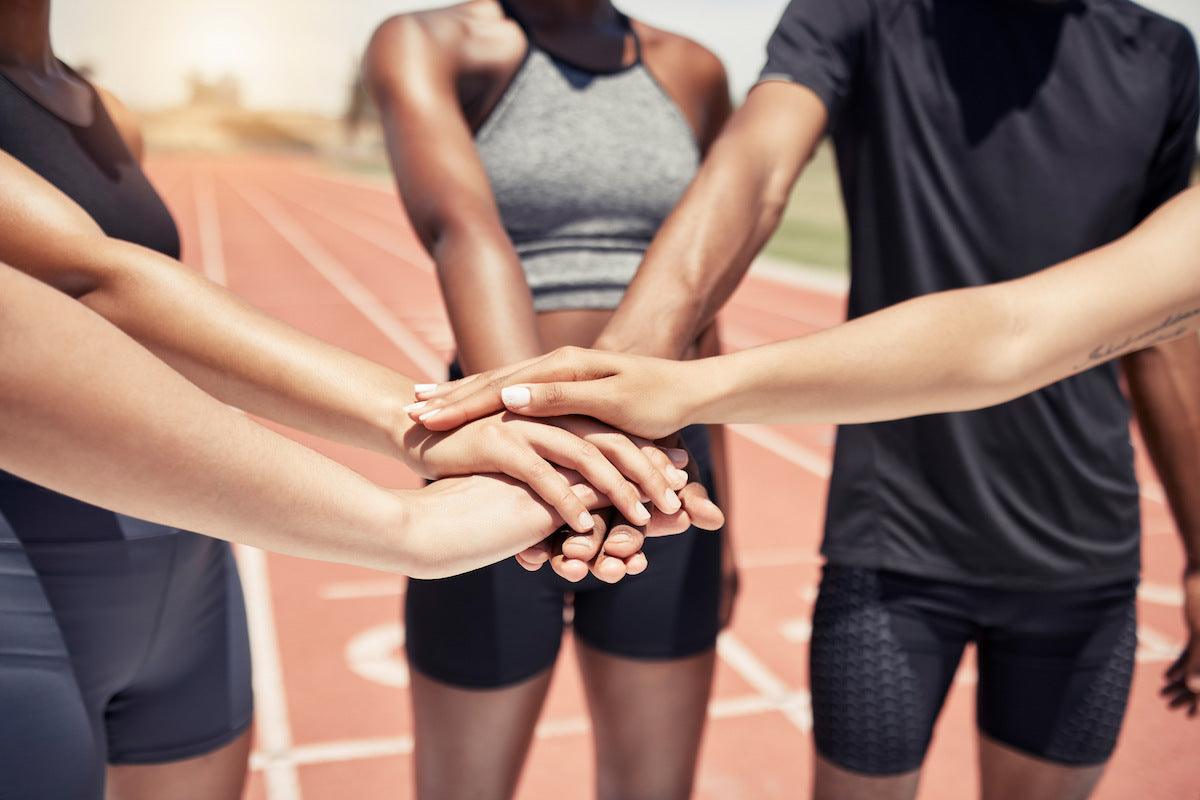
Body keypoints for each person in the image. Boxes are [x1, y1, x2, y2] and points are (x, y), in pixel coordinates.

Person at [413, 1, 1200, 798]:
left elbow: (1152, 319)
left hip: (1084, 545)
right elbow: (752, 171)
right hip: (895, 542)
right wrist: (624, 376)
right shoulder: (866, 13)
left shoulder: (1163, 54)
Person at [0, 4, 719, 798]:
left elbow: (130, 310)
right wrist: (446, 435)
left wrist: (472, 430)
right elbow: (94, 284)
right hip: (30, 592)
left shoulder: (104, 117)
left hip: (188, 574)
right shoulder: (435, 41)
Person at [363, 1, 734, 797]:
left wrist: (720, 505)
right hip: (498, 458)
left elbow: (702, 293)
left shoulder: (692, 70)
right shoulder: (432, 42)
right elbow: (464, 230)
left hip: (664, 472)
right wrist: (557, 446)